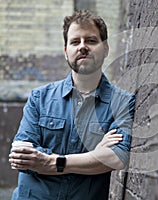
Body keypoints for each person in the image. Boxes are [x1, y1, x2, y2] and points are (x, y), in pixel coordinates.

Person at [8, 10, 135, 200]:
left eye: (91, 41)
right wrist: (94, 156)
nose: (83, 47)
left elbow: (115, 158)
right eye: (75, 42)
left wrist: (52, 162)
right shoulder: (39, 98)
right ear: (66, 51)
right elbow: (21, 155)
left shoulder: (123, 103)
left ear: (106, 48)